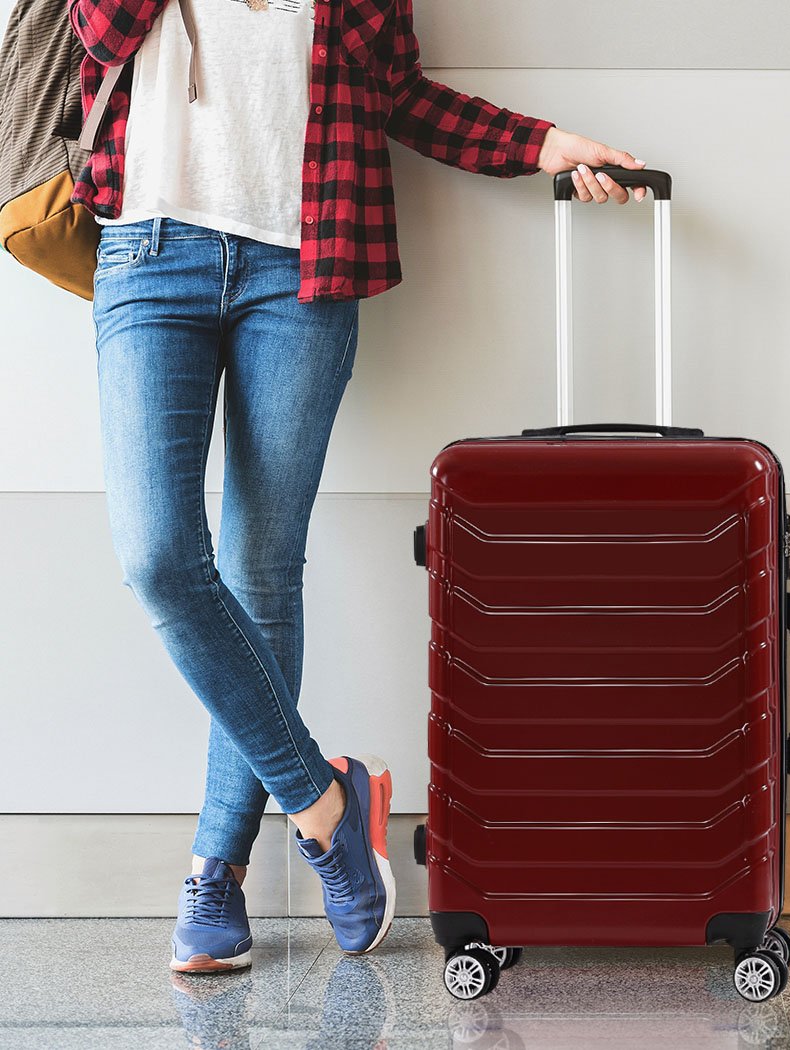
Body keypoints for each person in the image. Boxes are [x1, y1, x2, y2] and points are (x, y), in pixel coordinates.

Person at [68, 0, 650, 973]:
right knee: (160, 559)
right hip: (149, 254)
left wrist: (544, 144)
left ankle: (217, 870)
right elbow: (99, 29)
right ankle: (325, 803)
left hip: (302, 276)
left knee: (260, 571)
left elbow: (402, 99)